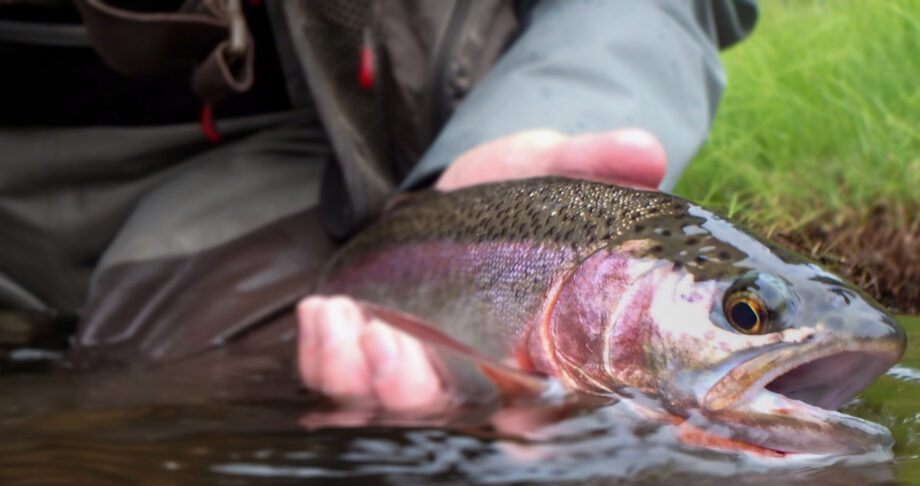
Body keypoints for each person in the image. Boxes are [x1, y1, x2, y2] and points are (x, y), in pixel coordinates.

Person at [0, 0, 756, 410]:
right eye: (747, 317)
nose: (747, 323)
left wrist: (533, 129)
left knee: (161, 407)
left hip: (340, 157)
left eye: (746, 316)